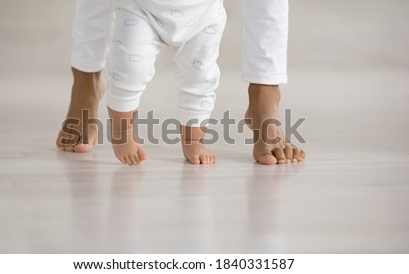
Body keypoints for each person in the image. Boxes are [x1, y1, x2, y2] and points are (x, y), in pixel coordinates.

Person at [56, 0, 306, 165]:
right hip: (141, 8)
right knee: (129, 70)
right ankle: (117, 126)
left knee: (201, 77)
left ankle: (195, 140)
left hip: (203, 11)